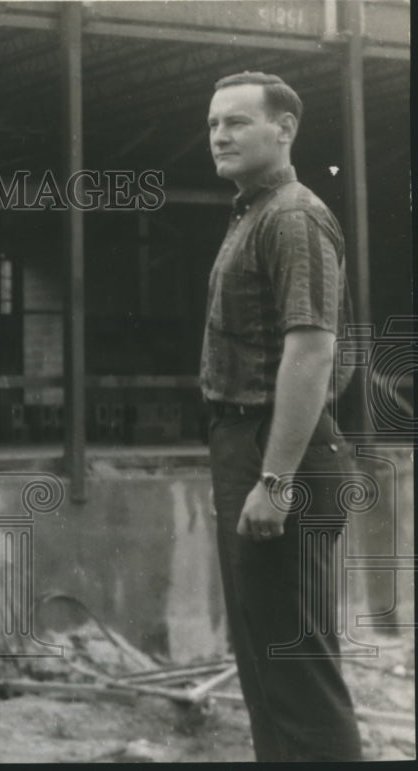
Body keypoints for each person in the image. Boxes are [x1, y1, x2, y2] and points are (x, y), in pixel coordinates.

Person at [201, 71, 361, 761]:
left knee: (295, 670)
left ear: (285, 129)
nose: (220, 135)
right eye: (213, 124)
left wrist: (275, 479)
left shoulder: (292, 214)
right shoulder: (252, 213)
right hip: (247, 442)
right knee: (266, 662)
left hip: (279, 450)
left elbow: (313, 351)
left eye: (237, 121)